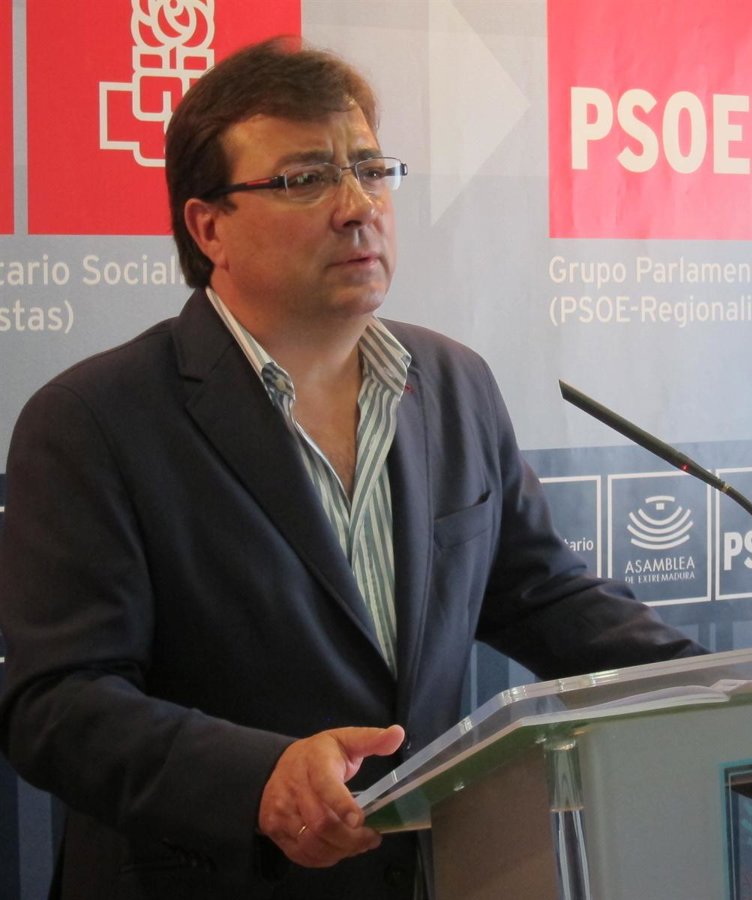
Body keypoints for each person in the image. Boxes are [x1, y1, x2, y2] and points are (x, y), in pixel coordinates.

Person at [0, 37, 703, 900]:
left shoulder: (453, 384)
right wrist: (260, 780)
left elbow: (541, 596)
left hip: (429, 874)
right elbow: (58, 706)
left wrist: (721, 687)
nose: (357, 206)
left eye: (371, 170)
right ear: (209, 227)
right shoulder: (94, 420)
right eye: (304, 179)